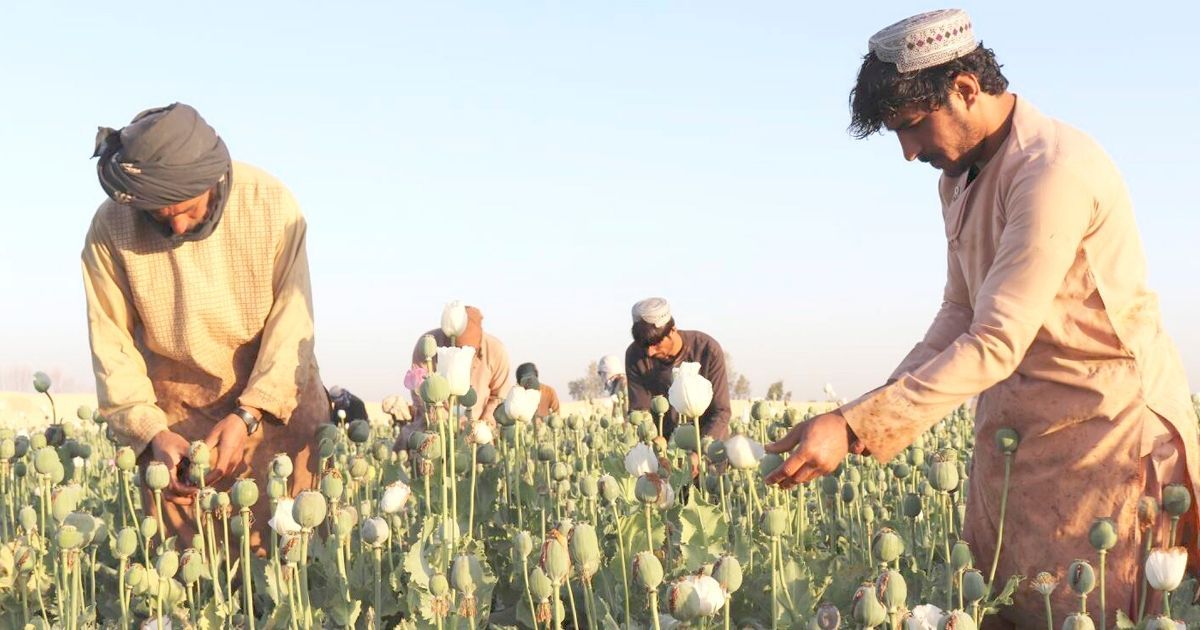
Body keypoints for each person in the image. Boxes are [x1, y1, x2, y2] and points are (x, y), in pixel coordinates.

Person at [764, 10, 1199, 627]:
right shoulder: (962, 177)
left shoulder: (1051, 171)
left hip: (1102, 436)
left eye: (913, 127)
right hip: (1017, 435)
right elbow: (960, 312)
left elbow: (995, 339)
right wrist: (854, 416)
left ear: (966, 89)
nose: (909, 153)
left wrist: (856, 426)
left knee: (1085, 611)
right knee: (1004, 603)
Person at [83, 103, 329, 552]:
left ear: (212, 181)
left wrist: (248, 414)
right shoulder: (111, 227)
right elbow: (112, 346)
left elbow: (292, 325)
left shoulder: (270, 205)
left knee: (293, 567)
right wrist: (152, 434)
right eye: (158, 214)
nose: (175, 224)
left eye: (187, 208)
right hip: (177, 425)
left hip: (276, 409)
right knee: (193, 582)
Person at [625, 298, 730, 439]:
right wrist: (654, 442)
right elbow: (640, 409)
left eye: (655, 344)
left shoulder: (707, 350)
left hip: (708, 444)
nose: (649, 352)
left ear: (672, 330)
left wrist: (702, 450)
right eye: (644, 345)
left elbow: (721, 411)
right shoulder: (635, 355)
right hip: (664, 449)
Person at [408, 304, 510, 424]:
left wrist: (481, 426)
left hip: (478, 425)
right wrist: (444, 420)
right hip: (436, 423)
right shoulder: (428, 344)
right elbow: (419, 388)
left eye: (468, 349)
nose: (462, 352)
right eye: (459, 347)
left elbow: (499, 396)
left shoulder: (496, 351)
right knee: (406, 438)